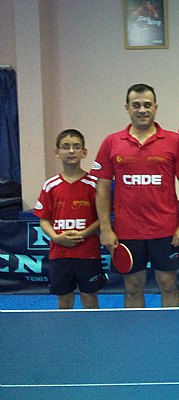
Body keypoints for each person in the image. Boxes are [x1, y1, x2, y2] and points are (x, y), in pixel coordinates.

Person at [92, 84, 179, 308]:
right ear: (127, 108)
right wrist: (106, 229)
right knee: (132, 287)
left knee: (169, 284)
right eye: (136, 105)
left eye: (147, 105)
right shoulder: (111, 142)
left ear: (155, 107)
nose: (142, 110)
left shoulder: (174, 141)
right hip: (127, 230)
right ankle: (136, 329)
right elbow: (102, 189)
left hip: (166, 229)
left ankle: (171, 328)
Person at [34, 129, 106, 309]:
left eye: (76, 147)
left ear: (84, 152)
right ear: (57, 152)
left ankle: (93, 328)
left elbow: (102, 218)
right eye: (66, 147)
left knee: (90, 299)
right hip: (59, 255)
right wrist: (56, 237)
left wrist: (83, 234)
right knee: (64, 300)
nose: (71, 151)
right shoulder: (50, 185)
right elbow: (44, 220)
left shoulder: (94, 184)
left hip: (88, 253)